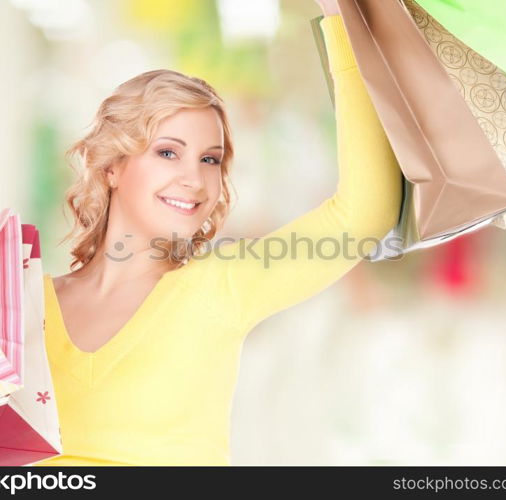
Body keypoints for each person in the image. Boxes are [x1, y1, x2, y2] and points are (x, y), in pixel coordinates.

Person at [31, 0, 403, 466]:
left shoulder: (220, 286)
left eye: (210, 159)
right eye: (168, 152)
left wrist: (343, 24)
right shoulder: (26, 308)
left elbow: (362, 217)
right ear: (111, 167)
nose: (194, 179)